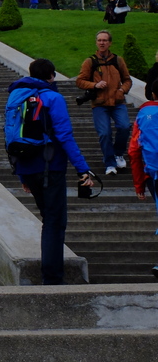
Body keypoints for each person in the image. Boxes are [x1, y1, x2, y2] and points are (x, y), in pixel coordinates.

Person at [7, 59, 93, 285]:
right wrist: (82, 168)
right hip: (50, 166)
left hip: (27, 166)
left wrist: (22, 173)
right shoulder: (53, 97)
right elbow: (64, 135)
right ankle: (52, 278)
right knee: (55, 221)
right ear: (52, 76)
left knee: (49, 218)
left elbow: (12, 134)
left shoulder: (17, 96)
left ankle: (51, 275)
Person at [76, 30, 132, 175]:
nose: (102, 43)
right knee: (105, 133)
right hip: (99, 103)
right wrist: (95, 85)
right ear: (96, 42)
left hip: (118, 102)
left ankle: (118, 154)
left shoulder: (118, 60)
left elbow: (127, 80)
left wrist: (122, 90)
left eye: (105, 40)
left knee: (125, 126)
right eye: (99, 40)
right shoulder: (90, 61)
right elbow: (80, 81)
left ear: (110, 43)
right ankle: (110, 163)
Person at [128, 79, 158, 280]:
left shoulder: (144, 115)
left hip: (154, 174)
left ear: (153, 93)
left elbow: (134, 151)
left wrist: (139, 184)